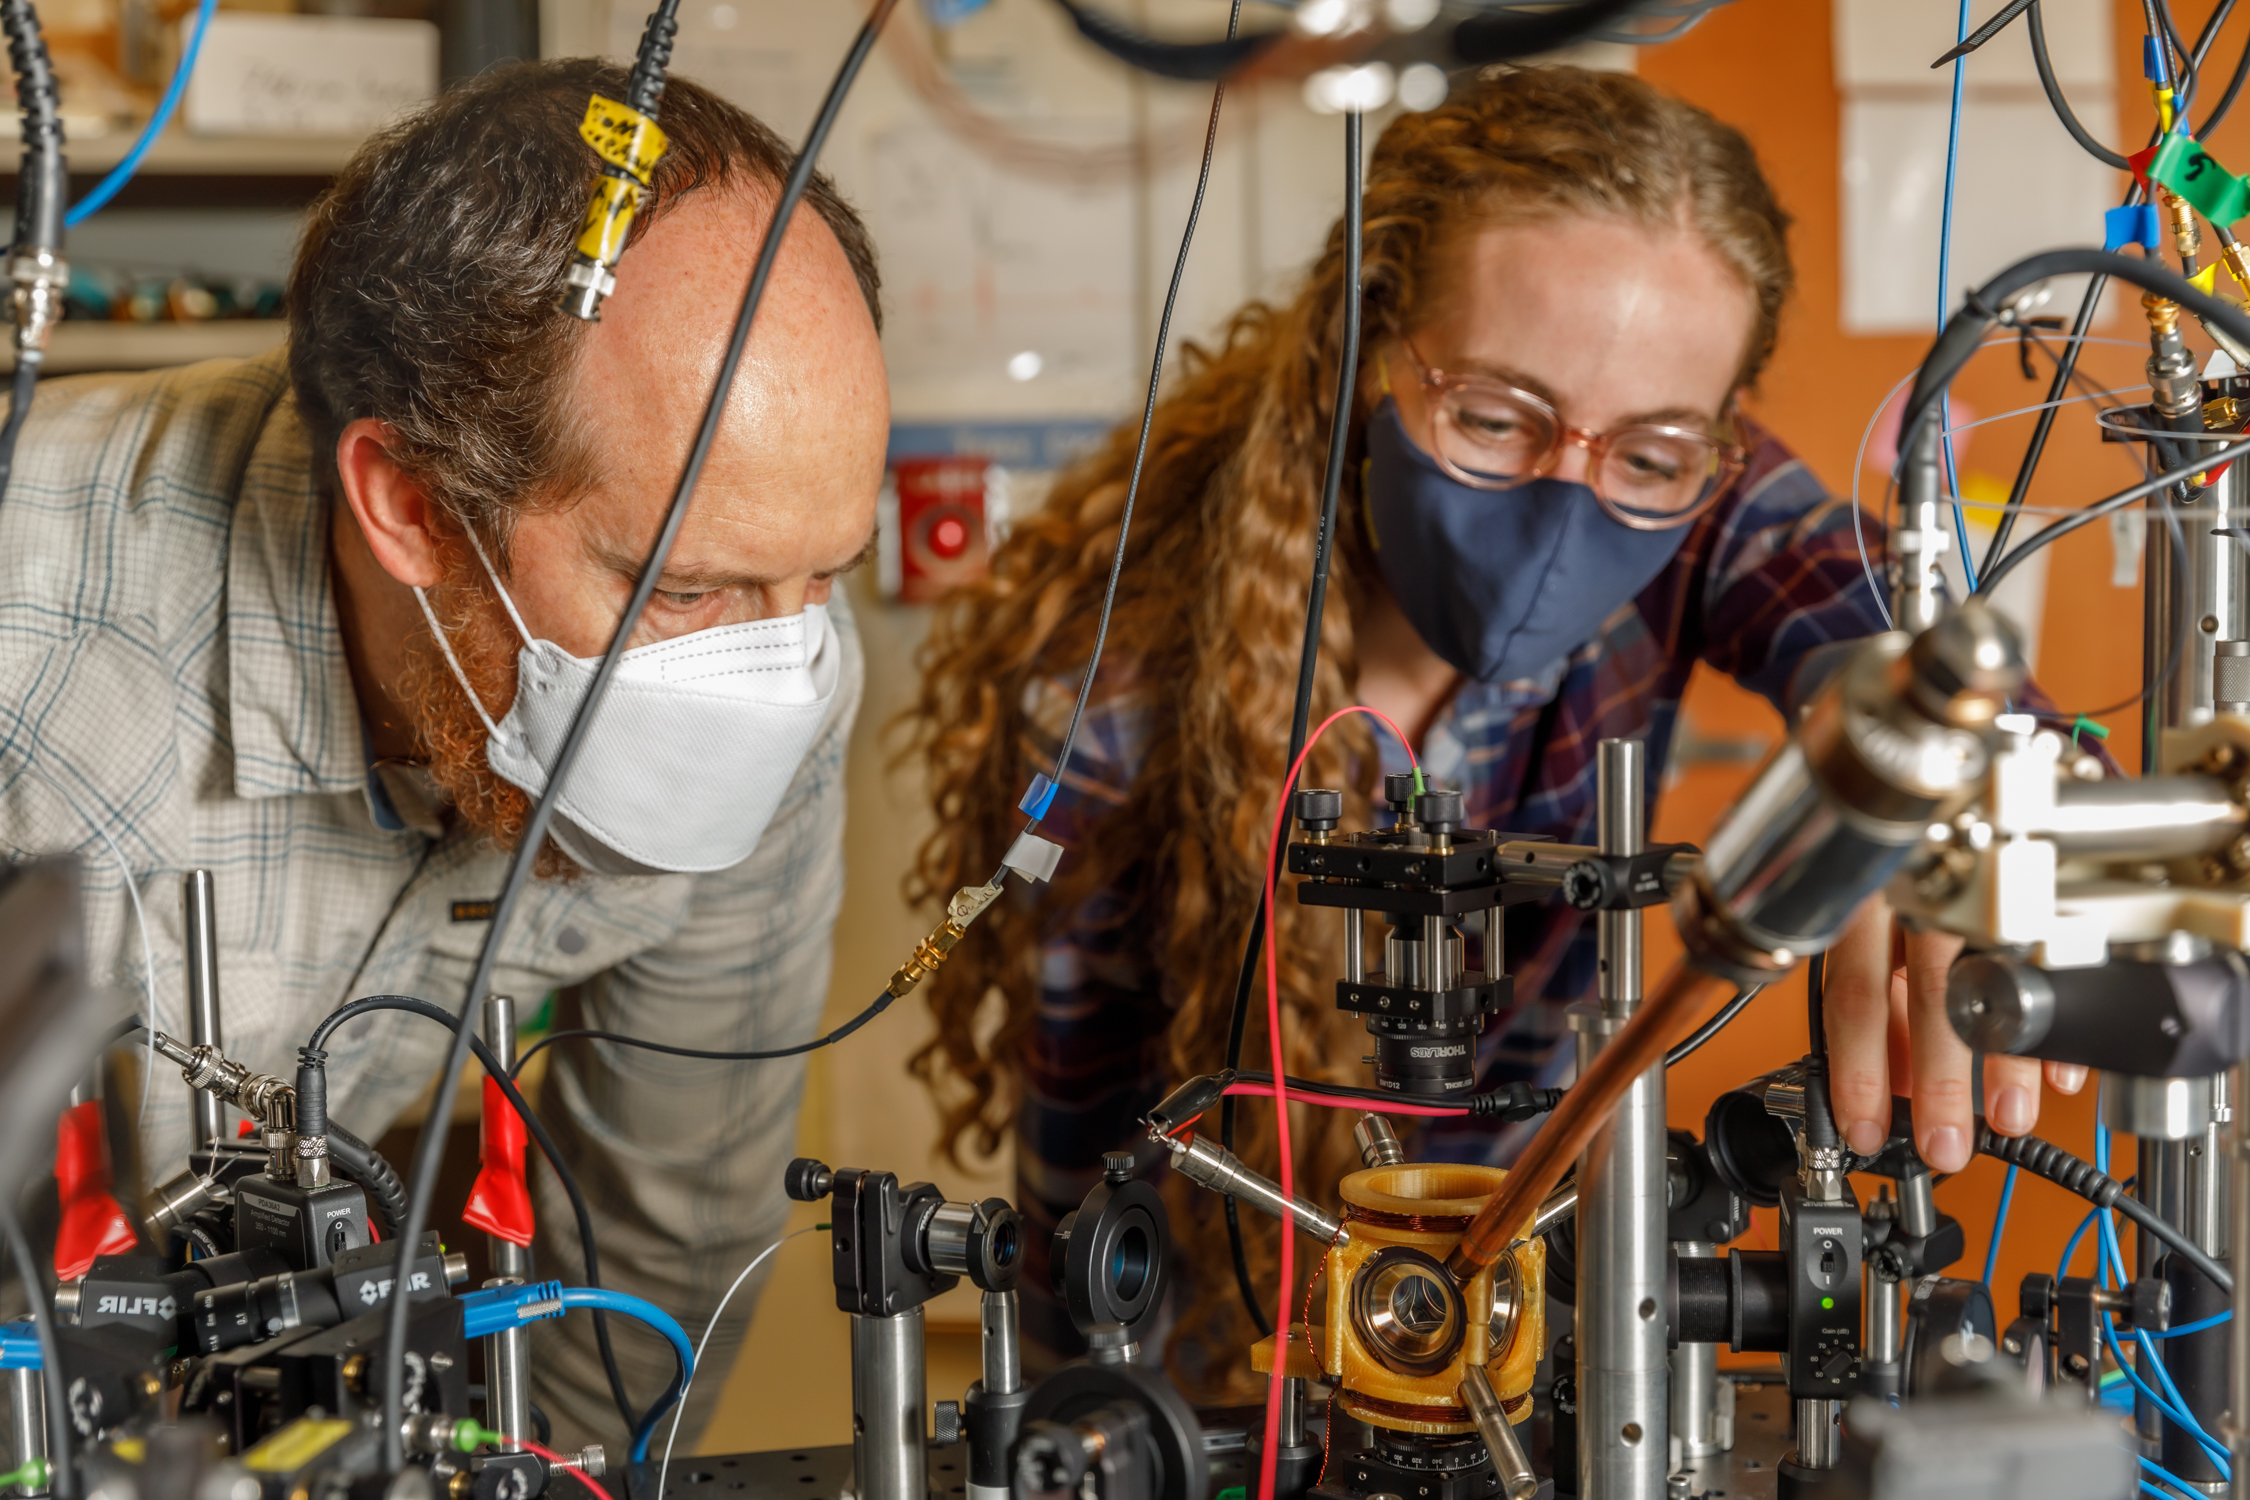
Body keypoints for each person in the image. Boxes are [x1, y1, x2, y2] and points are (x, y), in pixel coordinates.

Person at [904, 65, 2083, 1392]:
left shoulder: (1691, 488)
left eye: (1645, 454)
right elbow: (1086, 1215)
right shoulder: (1113, 705)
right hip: (1241, 1308)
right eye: (1489, 418)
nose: (1570, 499)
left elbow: (1908, 652)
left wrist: (1956, 791)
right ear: (1366, 352)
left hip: (1527, 1273)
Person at [0, 60, 885, 1445]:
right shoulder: (29, 649)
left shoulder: (784, 670)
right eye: (683, 591)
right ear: (407, 502)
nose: (770, 677)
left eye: (827, 572)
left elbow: (661, 1244)